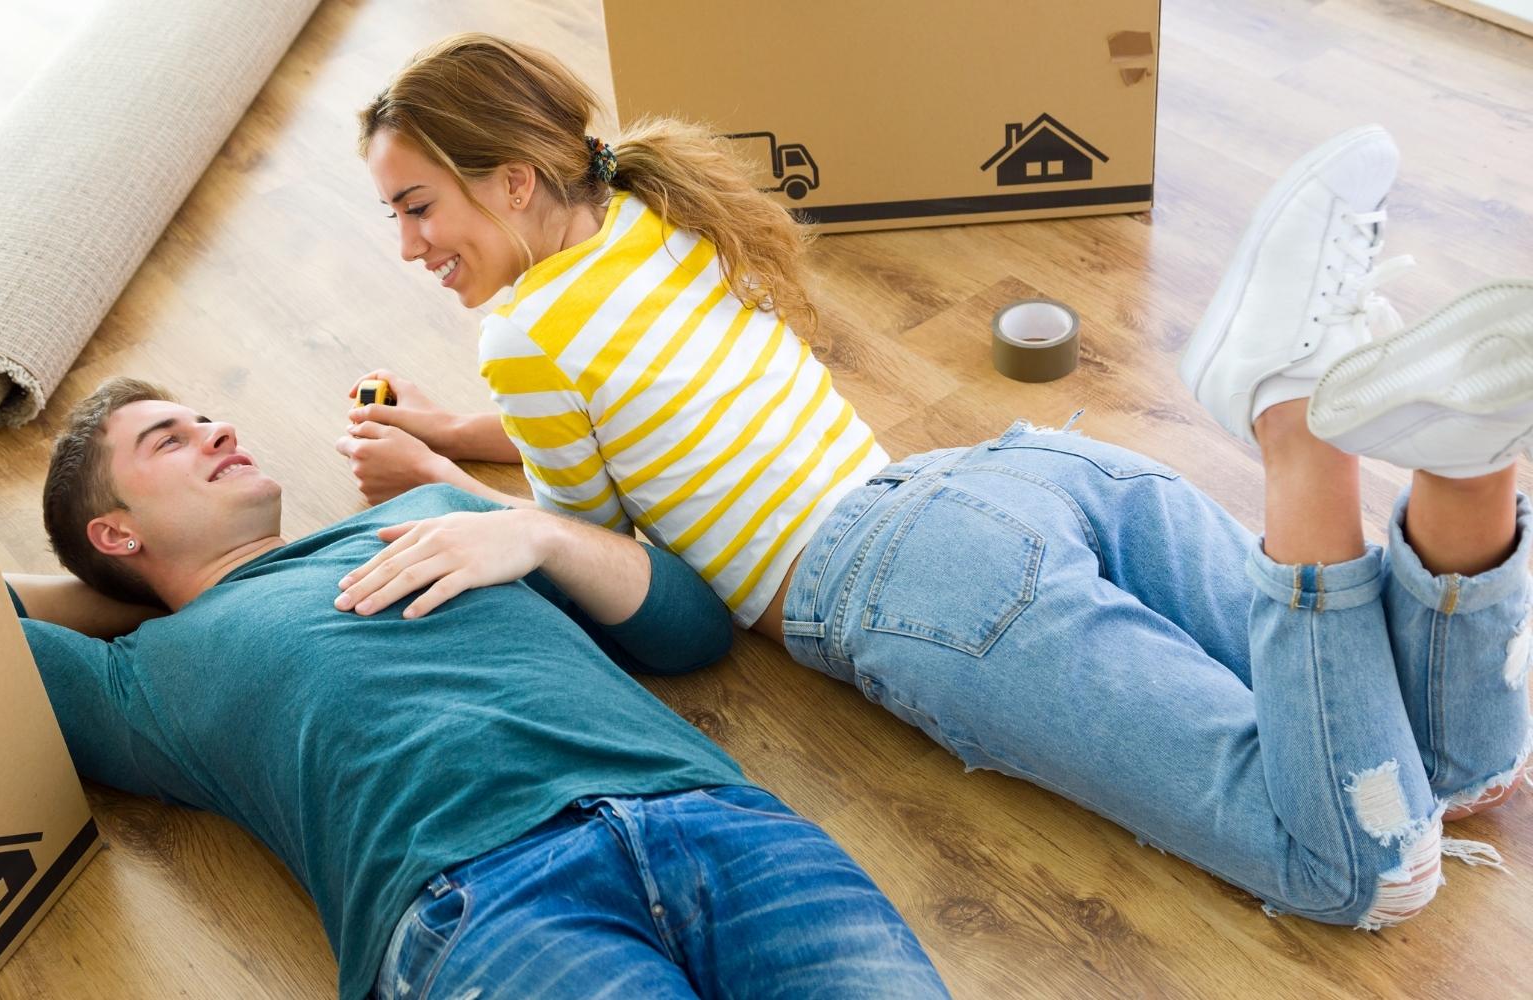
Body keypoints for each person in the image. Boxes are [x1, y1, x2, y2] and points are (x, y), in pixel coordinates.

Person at [339, 31, 1533, 929]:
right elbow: (652, 399)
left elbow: (608, 555)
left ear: (509, 180)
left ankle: (1296, 424)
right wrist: (460, 433)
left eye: (416, 206)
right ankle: (1468, 463)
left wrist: (451, 480)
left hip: (921, 590)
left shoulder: (524, 336)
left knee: (1359, 868)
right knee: (1455, 771)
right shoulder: (655, 210)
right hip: (1022, 478)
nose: (407, 248)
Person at [7, 378, 953, 1000]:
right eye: (169, 441)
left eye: (206, 416)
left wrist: (538, 535)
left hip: (714, 822)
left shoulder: (432, 513)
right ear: (116, 534)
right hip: (480, 903)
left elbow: (690, 630)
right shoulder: (139, 679)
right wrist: (116, 597)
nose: (217, 428)